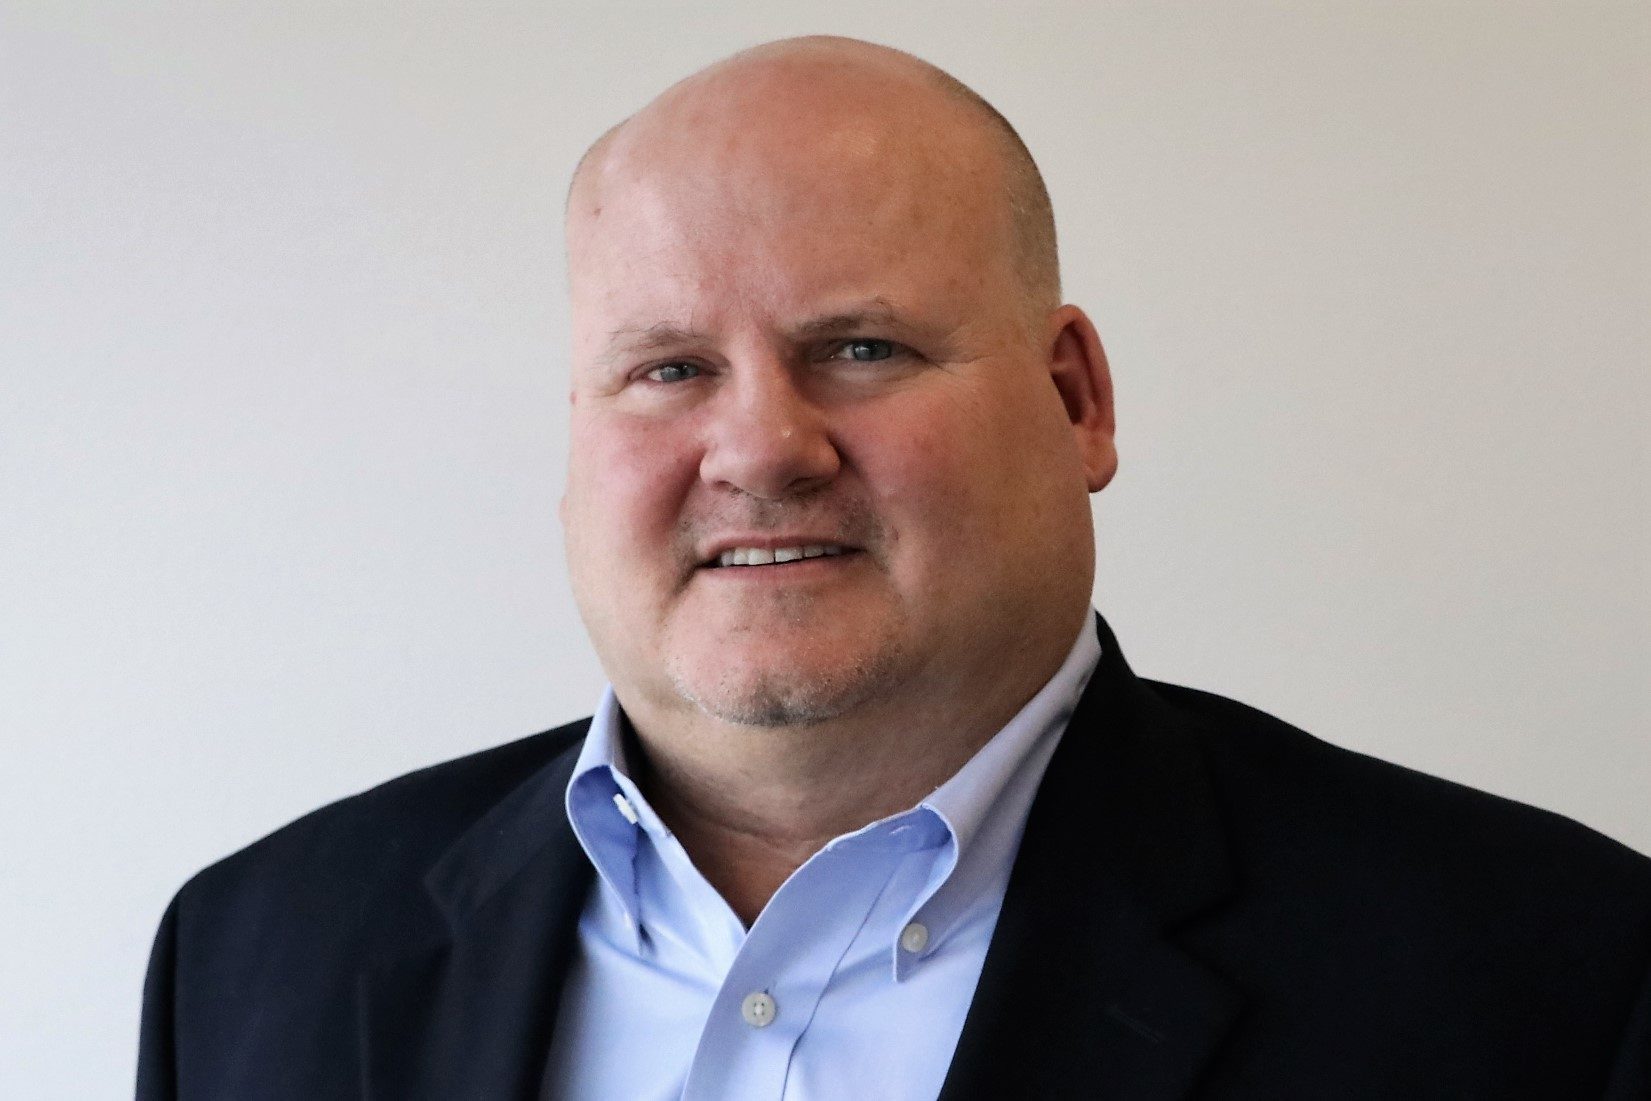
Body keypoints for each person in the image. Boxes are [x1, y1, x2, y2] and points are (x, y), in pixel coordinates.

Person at [138, 36, 1651, 1100]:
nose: (760, 447)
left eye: (860, 347)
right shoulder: (253, 951)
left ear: (1076, 401)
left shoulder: (1548, 979)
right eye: (666, 368)